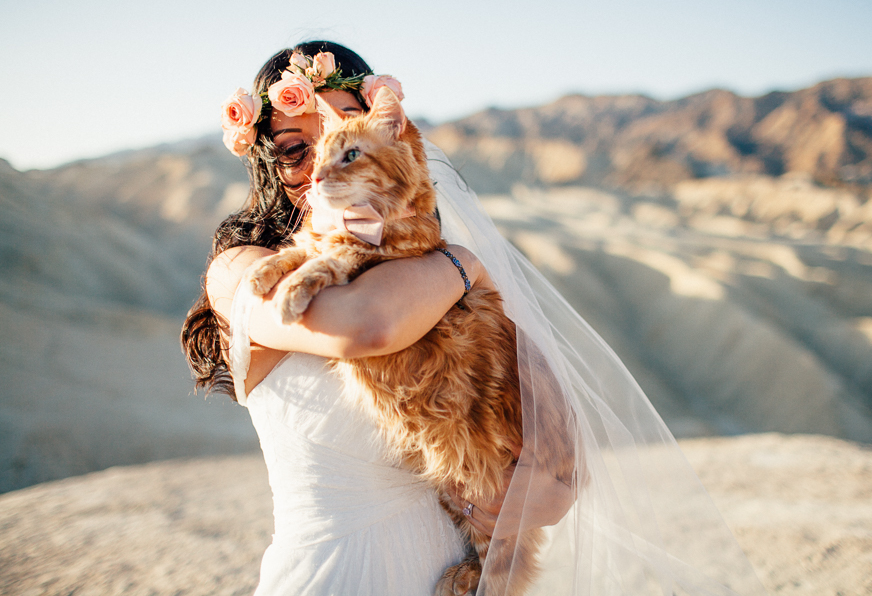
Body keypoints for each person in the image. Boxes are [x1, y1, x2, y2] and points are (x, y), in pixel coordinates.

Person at [182, 40, 767, 595]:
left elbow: (559, 468)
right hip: (333, 575)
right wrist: (465, 264)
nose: (321, 166)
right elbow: (364, 326)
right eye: (292, 148)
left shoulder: (432, 268)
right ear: (265, 160)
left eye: (342, 135)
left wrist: (513, 499)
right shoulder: (237, 270)